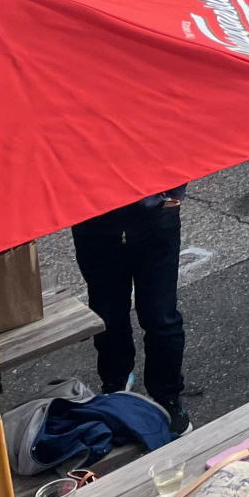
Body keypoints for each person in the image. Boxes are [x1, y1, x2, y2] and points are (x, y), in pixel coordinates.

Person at [69, 181, 190, 434]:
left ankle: (167, 398)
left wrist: (173, 194)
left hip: (154, 213)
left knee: (161, 317)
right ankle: (115, 385)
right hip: (93, 221)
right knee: (108, 316)